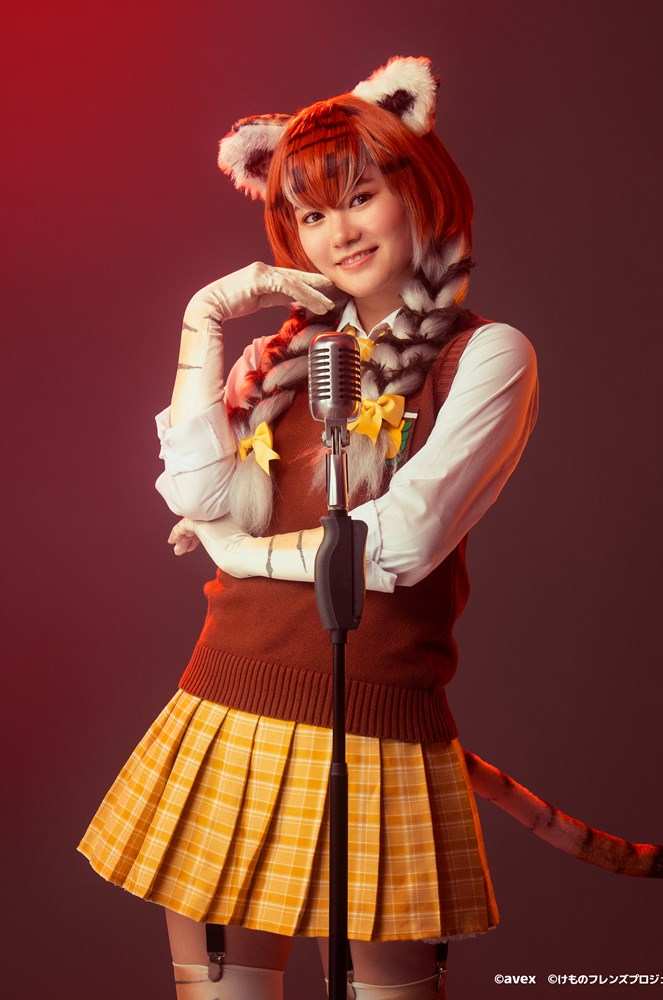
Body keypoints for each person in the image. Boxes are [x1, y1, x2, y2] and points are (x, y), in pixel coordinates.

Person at [79, 56, 539, 999]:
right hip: (225, 709)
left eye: (359, 198)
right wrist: (203, 320)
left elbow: (401, 543)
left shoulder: (485, 356)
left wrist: (241, 553)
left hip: (375, 727)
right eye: (312, 214)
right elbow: (195, 493)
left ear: (420, 192)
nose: (338, 233)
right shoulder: (287, 355)